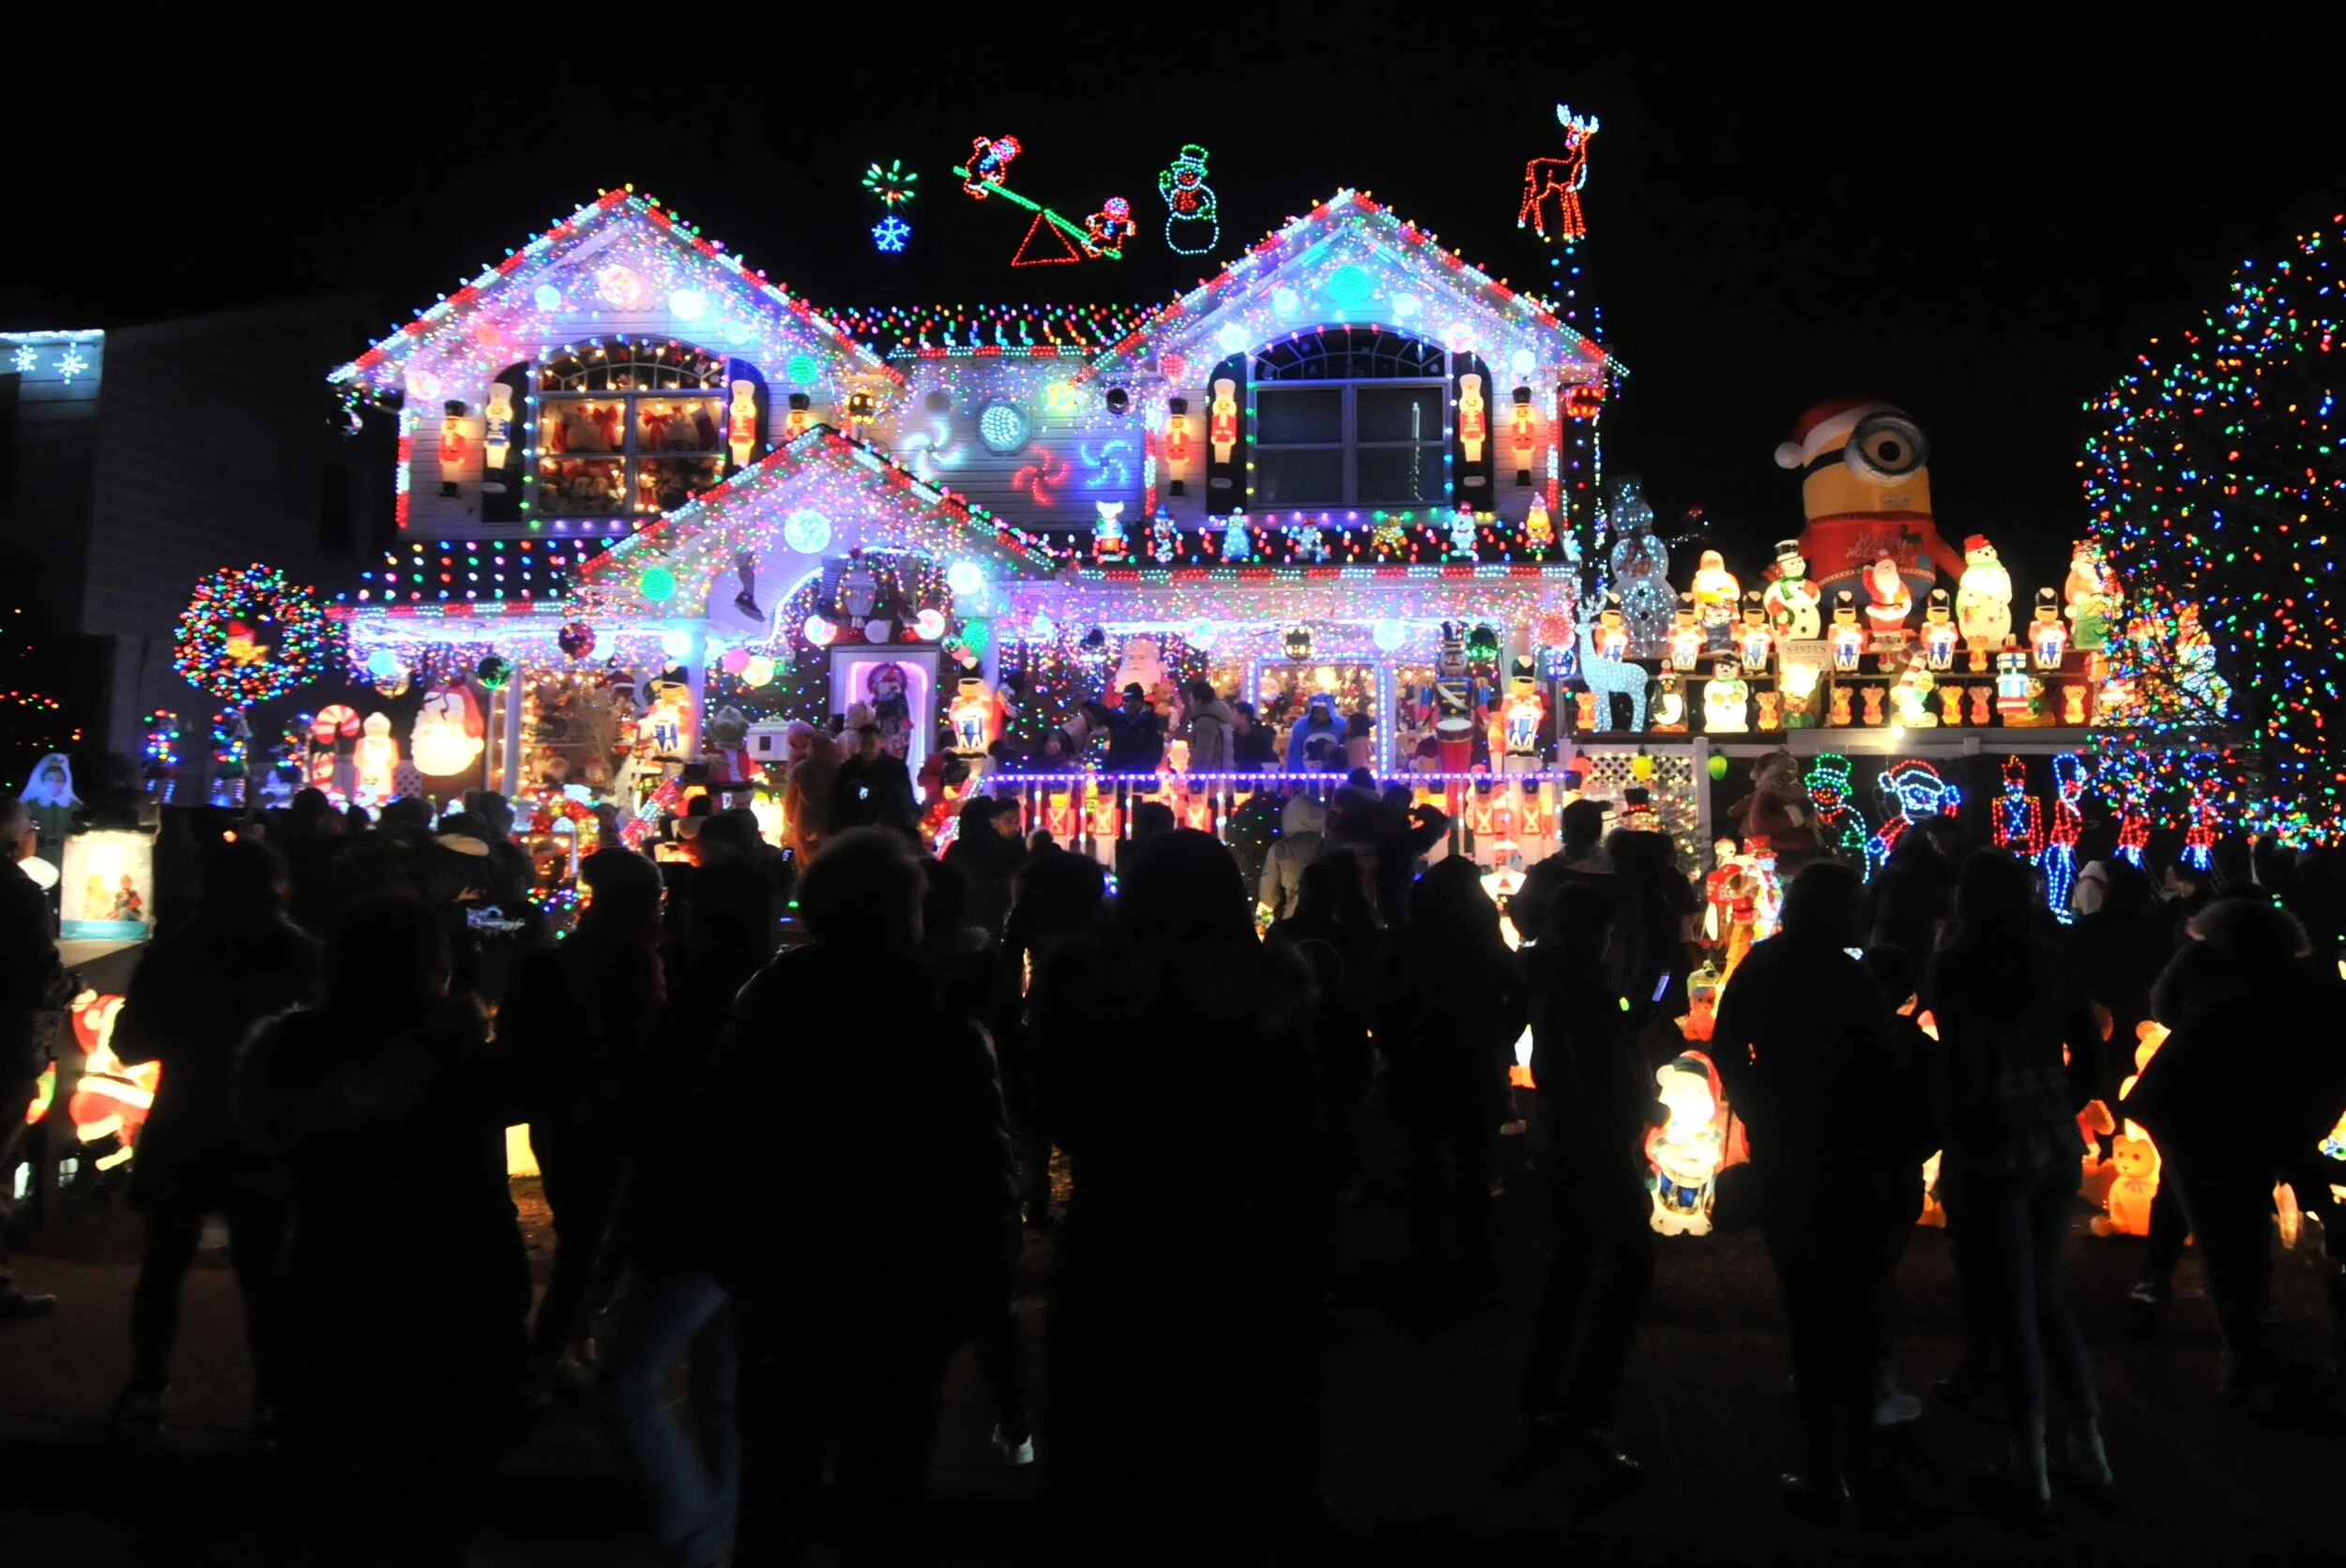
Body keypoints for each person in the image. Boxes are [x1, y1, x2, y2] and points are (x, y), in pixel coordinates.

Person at [711, 830, 1016, 1564]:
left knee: (775, 1490)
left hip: (786, 1286)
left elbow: (728, 1140)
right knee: (882, 1495)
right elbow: (978, 1180)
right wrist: (985, 1314)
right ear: (899, 914)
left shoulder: (766, 1003)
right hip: (898, 1294)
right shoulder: (937, 1019)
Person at [1031, 830, 1325, 1555]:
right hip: (1242, 1244)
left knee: (1110, 1452)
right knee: (1238, 1454)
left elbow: (1051, 1106)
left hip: (1116, 1238)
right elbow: (1306, 1126)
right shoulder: (1273, 993)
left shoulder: (1085, 988)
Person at [235, 896, 530, 1566]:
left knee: (334, 1480)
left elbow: (266, 1136)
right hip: (458, 1290)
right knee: (438, 1494)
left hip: (334, 1278)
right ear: (438, 964)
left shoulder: (287, 1053)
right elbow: (560, 1087)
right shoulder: (466, 1057)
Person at [105, 840, 320, 1443]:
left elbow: (129, 1043)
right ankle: (274, 1401)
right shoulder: (302, 954)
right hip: (266, 1128)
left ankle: (147, 1388)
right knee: (266, 1274)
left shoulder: (174, 954)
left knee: (164, 1266)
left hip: (184, 1120)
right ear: (279, 886)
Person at [1713, 861, 1905, 1518]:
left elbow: (1728, 1042)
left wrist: (1756, 1102)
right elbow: (1886, 1065)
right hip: (1850, 1156)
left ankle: (1827, 1463)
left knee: (1808, 1303)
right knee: (1854, 1305)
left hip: (1786, 1150)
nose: (1863, 911)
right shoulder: (1854, 978)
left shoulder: (1764, 965)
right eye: (1855, 901)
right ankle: (1856, 1455)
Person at [1926, 851, 2110, 1510]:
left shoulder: (1954, 965)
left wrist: (1948, 1135)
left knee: (2010, 1301)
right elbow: (2090, 1052)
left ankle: (2026, 1456)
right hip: (2052, 1143)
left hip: (1986, 1143)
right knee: (2043, 1287)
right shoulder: (2050, 962)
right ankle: (2088, 1441)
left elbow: (1956, 1061)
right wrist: (2062, 1103)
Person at [602, 855, 768, 1568]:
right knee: (719, 1385)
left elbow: (660, 1113)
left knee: (629, 1382)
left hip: (695, 1213)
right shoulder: (759, 986)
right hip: (742, 1209)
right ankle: (720, 1530)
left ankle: (702, 1534)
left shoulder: (700, 996)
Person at [2130, 897, 2346, 1407]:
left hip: (2216, 1114)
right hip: (2195, 1116)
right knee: (2225, 1233)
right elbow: (2295, 1110)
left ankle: (2247, 1342)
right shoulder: (2279, 1003)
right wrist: (2307, 1167)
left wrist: (2304, 1161)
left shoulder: (2278, 999)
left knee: (2234, 1229)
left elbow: (2300, 1111)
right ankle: (2246, 1357)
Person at [499, 847, 668, 1397]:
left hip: (559, 1114)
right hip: (609, 1117)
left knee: (579, 1233)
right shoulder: (634, 964)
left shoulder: (552, 961)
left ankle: (563, 1345)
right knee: (592, 1240)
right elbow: (644, 1047)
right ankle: (554, 1352)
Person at [1519, 881, 1656, 1481]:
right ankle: (1584, 1413)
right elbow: (1590, 1077)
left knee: (1571, 1266)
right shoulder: (1582, 993)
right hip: (1592, 1146)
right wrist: (1638, 1101)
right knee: (1627, 1264)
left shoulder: (1552, 981)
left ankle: (1546, 1403)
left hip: (1566, 1141)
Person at [1372, 856, 1527, 1312]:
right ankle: (1476, 1268)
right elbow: (1518, 998)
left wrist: (1396, 1044)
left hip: (1419, 1066)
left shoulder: (1406, 941)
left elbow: (1379, 999)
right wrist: (1499, 1038)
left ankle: (1427, 1267)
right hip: (1473, 1066)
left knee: (1423, 1166)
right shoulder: (1486, 942)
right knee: (1474, 1167)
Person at [0, 794, 68, 1322]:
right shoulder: (20, 894)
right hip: (7, 1045)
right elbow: (41, 977)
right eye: (29, 827)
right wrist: (74, 986)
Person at [1510, 797, 1615, 945]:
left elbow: (1524, 919)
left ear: (1565, 829)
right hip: (1605, 959)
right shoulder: (1615, 874)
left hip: (1553, 957)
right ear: (1598, 831)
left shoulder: (1545, 872)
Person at [1867, 815, 1961, 966]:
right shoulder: (1942, 871)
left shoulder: (1889, 870)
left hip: (1884, 943)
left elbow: (1869, 906)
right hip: (1927, 946)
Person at [942, 796, 1025, 937]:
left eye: (1016, 821)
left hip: (966, 920)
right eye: (1009, 821)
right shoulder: (1010, 849)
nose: (1014, 827)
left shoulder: (959, 849)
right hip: (991, 917)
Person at [1729, 753, 1820, 877]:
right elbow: (1761, 826)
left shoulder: (1797, 792)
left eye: (1792, 769)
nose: (1790, 773)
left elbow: (1812, 819)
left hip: (1806, 858)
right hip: (1782, 860)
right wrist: (1795, 814)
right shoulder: (1766, 795)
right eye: (1785, 769)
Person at [830, 723, 918, 837]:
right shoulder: (849, 768)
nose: (867, 749)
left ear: (881, 743)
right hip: (856, 827)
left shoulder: (896, 768)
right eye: (863, 745)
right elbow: (841, 799)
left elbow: (904, 797)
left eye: (871, 744)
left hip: (890, 827)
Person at [1259, 793, 1327, 921]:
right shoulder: (1331, 847)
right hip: (1328, 923)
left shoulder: (1280, 849)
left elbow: (1267, 897)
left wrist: (1261, 932)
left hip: (1293, 919)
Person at [784, 728, 841, 860]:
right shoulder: (839, 768)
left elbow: (791, 799)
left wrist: (790, 818)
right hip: (829, 822)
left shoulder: (800, 769)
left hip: (804, 821)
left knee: (805, 860)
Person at [1182, 679, 1236, 773]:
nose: (1190, 703)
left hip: (1210, 779)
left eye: (1191, 699)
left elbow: (1202, 756)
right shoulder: (1221, 716)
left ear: (1198, 701)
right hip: (1223, 774)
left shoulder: (1206, 721)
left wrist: (1196, 780)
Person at [1285, 693, 1347, 772]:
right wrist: (1296, 775)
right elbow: (1295, 753)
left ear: (1331, 712)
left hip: (1335, 774)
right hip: (1306, 775)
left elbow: (1348, 752)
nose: (1321, 717)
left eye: (1325, 714)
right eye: (1317, 713)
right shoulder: (1300, 725)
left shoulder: (1342, 724)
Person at [1230, 700, 1275, 774]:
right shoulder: (1234, 735)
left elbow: (1266, 760)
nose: (1231, 717)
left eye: (1234, 713)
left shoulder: (1260, 736)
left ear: (1243, 716)